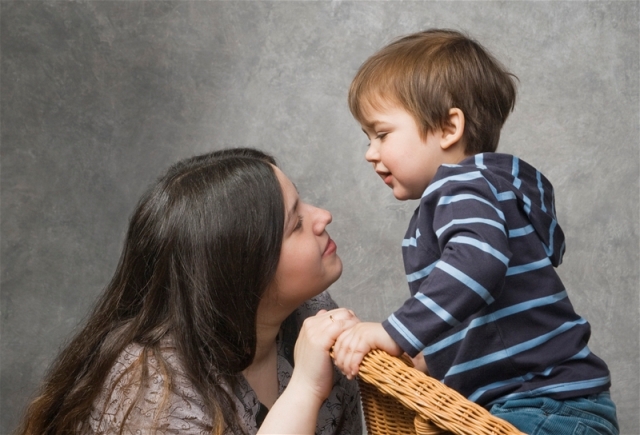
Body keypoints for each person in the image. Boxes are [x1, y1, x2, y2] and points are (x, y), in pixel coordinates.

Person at [332, 29, 619, 434]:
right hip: (556, 406)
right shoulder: (489, 189)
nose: (370, 152)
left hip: (538, 406)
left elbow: (479, 263)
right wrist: (431, 357)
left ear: (449, 127)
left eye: (381, 134)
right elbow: (489, 317)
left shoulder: (459, 187)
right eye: (367, 138)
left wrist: (393, 332)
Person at [16, 148, 362, 435]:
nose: (323, 216)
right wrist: (305, 388)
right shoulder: (152, 387)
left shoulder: (312, 316)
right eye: (296, 223)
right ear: (241, 270)